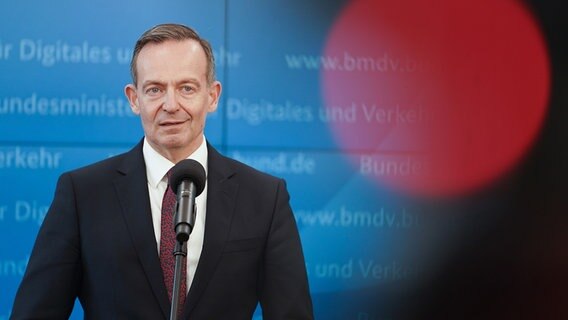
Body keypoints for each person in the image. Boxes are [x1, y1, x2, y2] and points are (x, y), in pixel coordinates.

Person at [11, 23, 313, 319]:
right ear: (134, 98)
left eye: (187, 88)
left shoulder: (264, 198)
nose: (171, 104)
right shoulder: (82, 194)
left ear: (212, 96)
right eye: (155, 89)